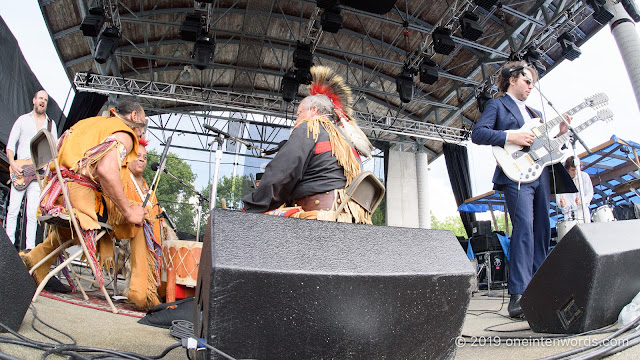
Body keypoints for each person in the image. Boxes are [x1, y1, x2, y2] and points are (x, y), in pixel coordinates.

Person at [471, 61, 570, 318]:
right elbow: (478, 133)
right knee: (524, 227)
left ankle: (539, 289)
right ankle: (518, 295)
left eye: (533, 84)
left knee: (541, 231)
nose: (531, 87)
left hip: (539, 176)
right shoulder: (497, 104)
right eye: (527, 81)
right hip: (515, 176)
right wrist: (510, 136)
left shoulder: (536, 114)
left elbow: (547, 150)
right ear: (512, 79)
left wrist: (561, 134)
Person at [21, 98, 146, 301]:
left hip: (55, 197)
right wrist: (130, 211)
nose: (142, 131)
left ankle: (35, 259)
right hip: (80, 201)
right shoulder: (124, 133)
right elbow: (106, 170)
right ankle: (141, 293)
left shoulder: (86, 123)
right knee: (139, 218)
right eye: (143, 123)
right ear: (134, 117)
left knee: (93, 218)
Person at [242, 66, 375, 223]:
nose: (296, 121)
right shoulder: (346, 140)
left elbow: (281, 174)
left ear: (313, 110)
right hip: (350, 220)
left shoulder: (311, 127)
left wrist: (251, 206)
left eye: (298, 114)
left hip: (317, 219)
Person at [105, 143, 165, 309]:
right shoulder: (122, 177)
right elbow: (115, 203)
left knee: (168, 240)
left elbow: (156, 212)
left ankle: (157, 290)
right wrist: (139, 211)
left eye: (145, 158)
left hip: (150, 233)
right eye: (138, 155)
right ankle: (140, 290)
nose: (142, 160)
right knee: (140, 224)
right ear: (127, 158)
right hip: (125, 226)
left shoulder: (147, 187)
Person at [5, 90, 58, 251]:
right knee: (13, 210)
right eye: (40, 98)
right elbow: (10, 146)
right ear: (34, 100)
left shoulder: (50, 124)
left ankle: (29, 250)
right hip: (20, 171)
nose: (42, 101)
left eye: (45, 100)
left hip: (38, 175)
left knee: (31, 215)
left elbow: (53, 150)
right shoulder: (22, 120)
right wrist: (13, 164)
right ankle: (7, 248)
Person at [556, 156, 594, 221]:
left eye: (577, 169)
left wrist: (582, 201)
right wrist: (561, 204)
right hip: (568, 215)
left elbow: (590, 193)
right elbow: (558, 200)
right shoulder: (561, 180)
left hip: (582, 212)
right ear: (567, 169)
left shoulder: (584, 176)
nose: (575, 172)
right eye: (573, 170)